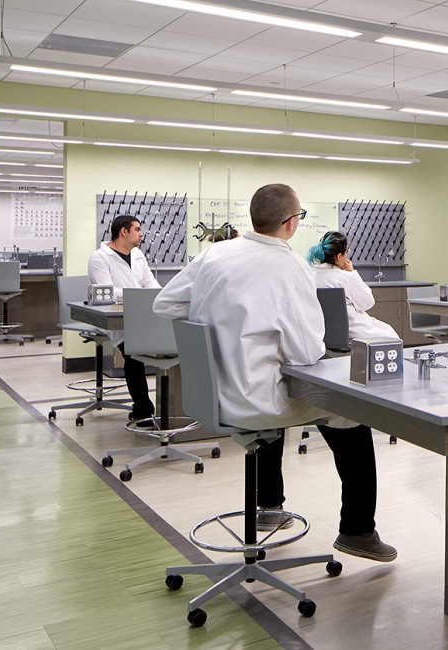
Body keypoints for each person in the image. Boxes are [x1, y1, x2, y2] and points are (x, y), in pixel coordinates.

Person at [154, 183, 397, 563]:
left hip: (212, 394)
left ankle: (268, 505)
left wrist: (220, 326)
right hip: (256, 401)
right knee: (351, 419)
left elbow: (165, 303)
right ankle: (357, 530)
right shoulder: (290, 265)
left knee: (277, 395)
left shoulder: (214, 253)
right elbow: (307, 351)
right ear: (290, 223)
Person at [87, 214, 160, 422]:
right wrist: (136, 296)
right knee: (133, 356)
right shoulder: (99, 258)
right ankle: (143, 410)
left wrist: (162, 296)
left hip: (142, 316)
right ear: (123, 231)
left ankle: (164, 408)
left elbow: (150, 283)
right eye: (137, 229)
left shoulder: (137, 255)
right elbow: (108, 292)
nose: (141, 234)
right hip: (115, 320)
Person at [309, 230, 400, 340]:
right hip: (353, 332)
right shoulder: (344, 278)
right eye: (346, 251)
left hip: (322, 333)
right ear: (338, 256)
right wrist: (352, 272)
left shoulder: (310, 275)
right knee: (390, 334)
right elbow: (368, 303)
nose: (347, 255)